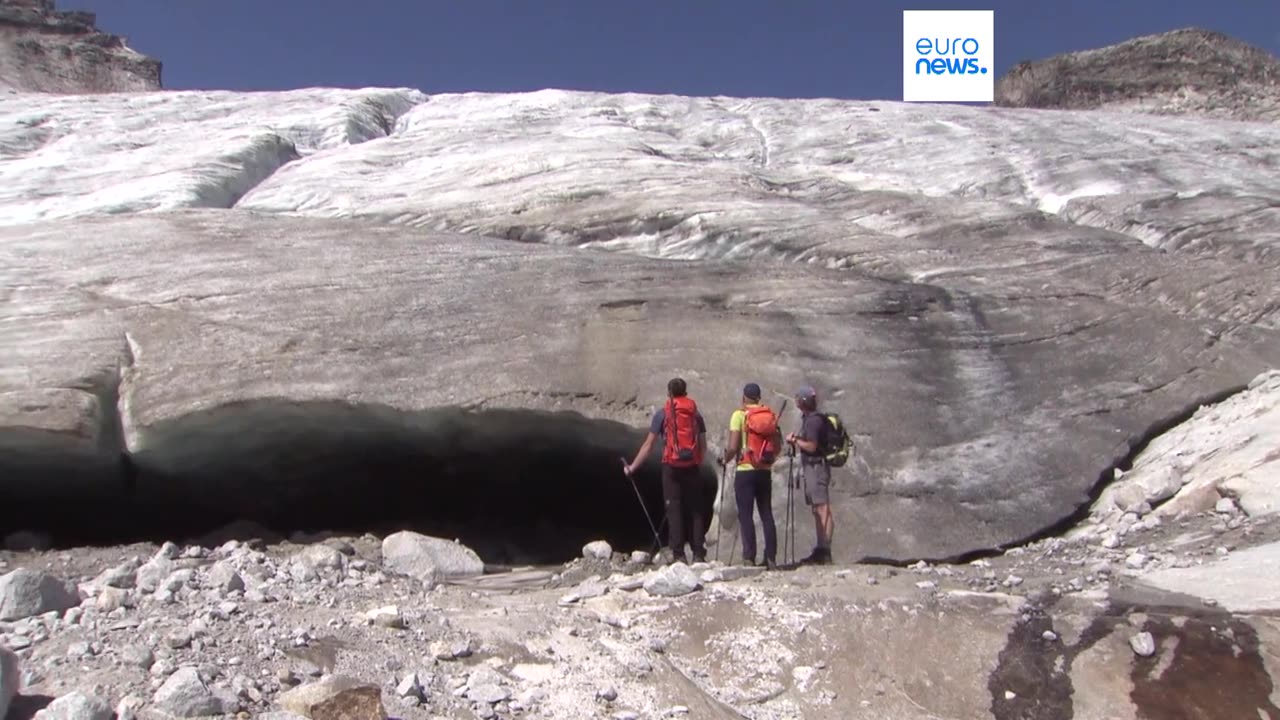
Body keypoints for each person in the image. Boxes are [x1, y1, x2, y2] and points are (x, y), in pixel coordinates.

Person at [624, 377, 708, 564]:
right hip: (692, 467)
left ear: (668, 393)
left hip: (671, 467)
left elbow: (648, 445)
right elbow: (703, 445)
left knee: (674, 509)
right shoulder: (696, 415)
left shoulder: (663, 414)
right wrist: (697, 462)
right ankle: (698, 554)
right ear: (685, 392)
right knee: (695, 510)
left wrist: (632, 467)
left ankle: (678, 555)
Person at [721, 382, 780, 569]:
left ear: (744, 397)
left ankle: (749, 557)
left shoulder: (739, 415)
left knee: (746, 515)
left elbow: (732, 446)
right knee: (766, 513)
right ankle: (770, 557)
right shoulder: (769, 416)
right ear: (758, 397)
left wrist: (725, 459)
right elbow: (777, 445)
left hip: (745, 470)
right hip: (764, 470)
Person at [785, 385, 834, 565]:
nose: (796, 400)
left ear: (803, 401)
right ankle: (821, 548)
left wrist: (795, 441)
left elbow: (812, 446)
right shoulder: (809, 419)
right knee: (817, 508)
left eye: (798, 397)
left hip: (817, 467)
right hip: (813, 467)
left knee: (822, 507)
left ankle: (824, 550)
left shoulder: (813, 421)